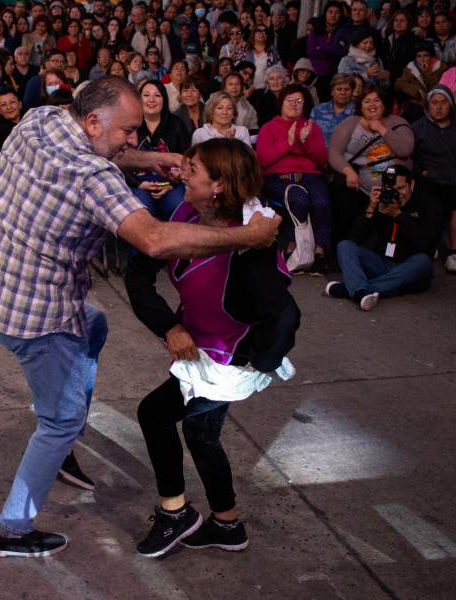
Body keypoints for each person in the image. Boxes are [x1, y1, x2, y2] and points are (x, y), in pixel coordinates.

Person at [0, 77, 280, 558]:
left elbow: (111, 153)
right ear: (94, 121)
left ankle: (63, 435)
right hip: (35, 315)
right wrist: (249, 237)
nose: (136, 139)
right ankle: (10, 530)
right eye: (130, 131)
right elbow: (153, 240)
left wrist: (156, 160)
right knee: (60, 420)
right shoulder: (92, 177)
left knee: (96, 324)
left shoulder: (43, 119)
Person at [124, 138, 299, 558]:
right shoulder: (187, 212)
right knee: (200, 435)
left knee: (158, 416)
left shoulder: (249, 248)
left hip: (227, 359)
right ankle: (227, 524)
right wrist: (170, 326)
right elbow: (137, 274)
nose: (184, 173)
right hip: (200, 347)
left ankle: (176, 514)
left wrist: (258, 363)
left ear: (218, 185)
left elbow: (285, 315)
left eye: (194, 169)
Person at [327, 166, 440, 310]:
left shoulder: (429, 204)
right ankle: (361, 290)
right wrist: (371, 208)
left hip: (409, 269)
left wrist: (398, 216)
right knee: (344, 246)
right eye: (390, 189)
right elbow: (354, 239)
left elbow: (425, 245)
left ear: (411, 185)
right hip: (382, 263)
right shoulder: (383, 201)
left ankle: (355, 290)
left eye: (400, 188)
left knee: (423, 261)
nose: (396, 194)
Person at [257, 84, 331, 274]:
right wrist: (288, 143)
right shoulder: (268, 128)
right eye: (290, 100)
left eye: (299, 101)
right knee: (298, 200)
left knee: (321, 203)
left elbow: (321, 161)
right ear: (281, 103)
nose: (294, 104)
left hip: (309, 176)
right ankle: (292, 246)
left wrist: (304, 143)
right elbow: (263, 160)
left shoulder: (311, 128)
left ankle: (319, 252)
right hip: (278, 178)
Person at [328, 84, 414, 247]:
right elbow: (334, 151)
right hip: (357, 184)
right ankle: (340, 250)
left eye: (377, 100)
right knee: (341, 196)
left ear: (384, 103)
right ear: (360, 105)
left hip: (390, 185)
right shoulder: (351, 122)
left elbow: (405, 150)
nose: (372, 105)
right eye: (367, 101)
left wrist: (381, 128)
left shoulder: (398, 123)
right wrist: (348, 171)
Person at [411, 86, 456, 275]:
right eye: (434, 103)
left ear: (450, 105)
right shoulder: (418, 127)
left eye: (443, 103)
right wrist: (422, 172)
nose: (439, 107)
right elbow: (409, 156)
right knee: (425, 196)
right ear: (428, 105)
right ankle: (429, 245)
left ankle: (454, 253)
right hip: (430, 177)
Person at [127, 80, 190, 221]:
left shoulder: (177, 124)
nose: (151, 100)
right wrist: (138, 183)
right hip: (138, 182)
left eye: (157, 95)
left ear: (164, 99)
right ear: (139, 99)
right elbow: (119, 159)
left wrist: (172, 184)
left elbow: (186, 158)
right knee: (140, 207)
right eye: (146, 95)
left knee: (179, 204)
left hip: (171, 183)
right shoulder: (129, 124)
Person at [395, 41, 447, 123]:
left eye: (426, 55)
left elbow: (436, 86)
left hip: (435, 103)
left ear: (432, 56)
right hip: (417, 104)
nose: (422, 59)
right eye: (418, 56)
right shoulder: (411, 68)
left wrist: (427, 72)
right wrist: (416, 90)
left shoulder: (441, 68)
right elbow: (399, 83)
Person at [310, 73, 356, 145]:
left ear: (352, 92)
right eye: (339, 89)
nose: (343, 92)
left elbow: (364, 139)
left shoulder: (358, 113)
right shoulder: (317, 110)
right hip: (319, 154)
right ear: (332, 92)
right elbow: (309, 136)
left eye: (347, 89)